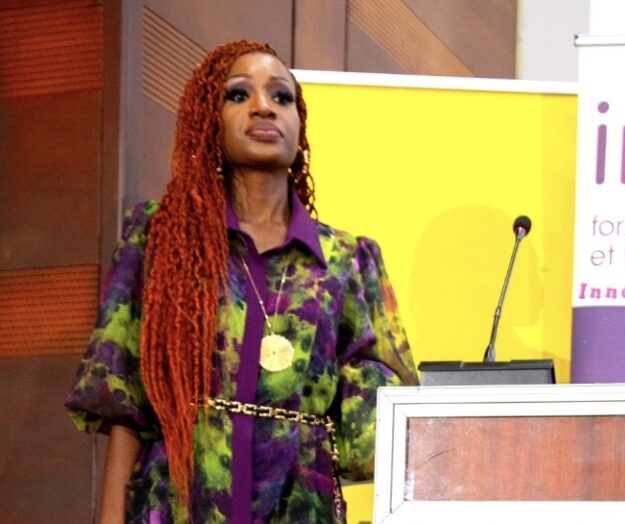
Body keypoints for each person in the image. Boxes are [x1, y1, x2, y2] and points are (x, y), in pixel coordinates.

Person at [64, 40, 417, 524]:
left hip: (297, 510)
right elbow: (124, 400)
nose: (263, 106)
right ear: (209, 119)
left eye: (281, 96)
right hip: (179, 505)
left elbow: (384, 422)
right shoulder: (158, 238)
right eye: (238, 94)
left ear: (299, 126)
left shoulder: (349, 262)